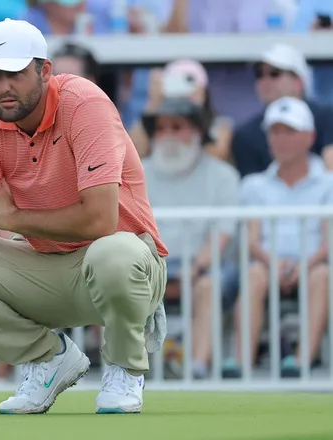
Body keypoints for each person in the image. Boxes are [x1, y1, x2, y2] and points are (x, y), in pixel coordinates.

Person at [0, 19, 167, 415]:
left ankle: (124, 368)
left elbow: (101, 221)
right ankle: (48, 359)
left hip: (124, 263)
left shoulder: (85, 104)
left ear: (45, 71)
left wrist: (13, 218)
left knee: (113, 255)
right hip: (45, 267)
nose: (3, 87)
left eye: (14, 73)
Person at [224, 97, 332, 379]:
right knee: (254, 274)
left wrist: (304, 266)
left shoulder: (329, 183)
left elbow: (328, 242)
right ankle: (240, 364)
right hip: (267, 263)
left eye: (289, 131)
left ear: (310, 137)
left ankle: (301, 362)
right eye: (275, 131)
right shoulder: (254, 185)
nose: (280, 139)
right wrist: (275, 264)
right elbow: (252, 240)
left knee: (322, 275)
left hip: (314, 265)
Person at [142, 98, 241, 379]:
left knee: (209, 285)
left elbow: (222, 234)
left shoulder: (224, 176)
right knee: (117, 279)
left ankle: (196, 368)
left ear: (199, 132)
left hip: (204, 267)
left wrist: (194, 269)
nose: (168, 135)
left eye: (177, 127)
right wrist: (154, 272)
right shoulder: (137, 171)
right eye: (161, 128)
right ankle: (132, 368)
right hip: (151, 263)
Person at [231, 44, 333, 177]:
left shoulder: (328, 118)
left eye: (274, 73)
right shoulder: (245, 135)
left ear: (298, 81)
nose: (265, 81)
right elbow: (251, 189)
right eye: (259, 74)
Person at [130, 59, 234, 162]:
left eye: (188, 82)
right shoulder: (155, 121)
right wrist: (153, 104)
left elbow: (217, 157)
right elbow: (134, 153)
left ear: (204, 90)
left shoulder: (220, 124)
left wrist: (197, 110)